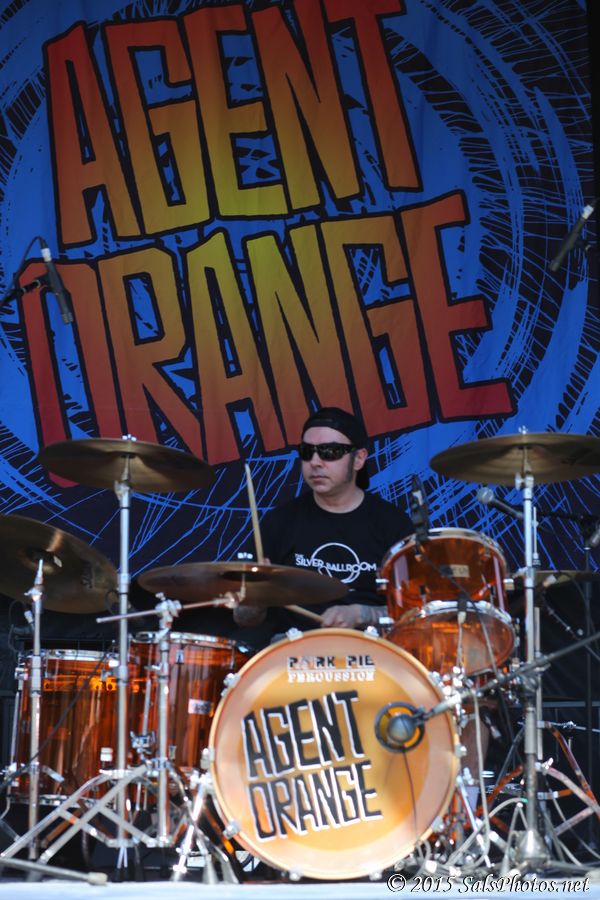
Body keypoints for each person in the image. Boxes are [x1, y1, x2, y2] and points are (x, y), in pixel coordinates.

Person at [232, 406, 412, 647]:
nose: (315, 462)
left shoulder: (393, 524)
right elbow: (244, 619)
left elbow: (416, 612)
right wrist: (255, 598)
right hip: (292, 655)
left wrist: (361, 614)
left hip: (371, 654)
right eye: (307, 452)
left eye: (330, 452)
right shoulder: (280, 522)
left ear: (359, 459)